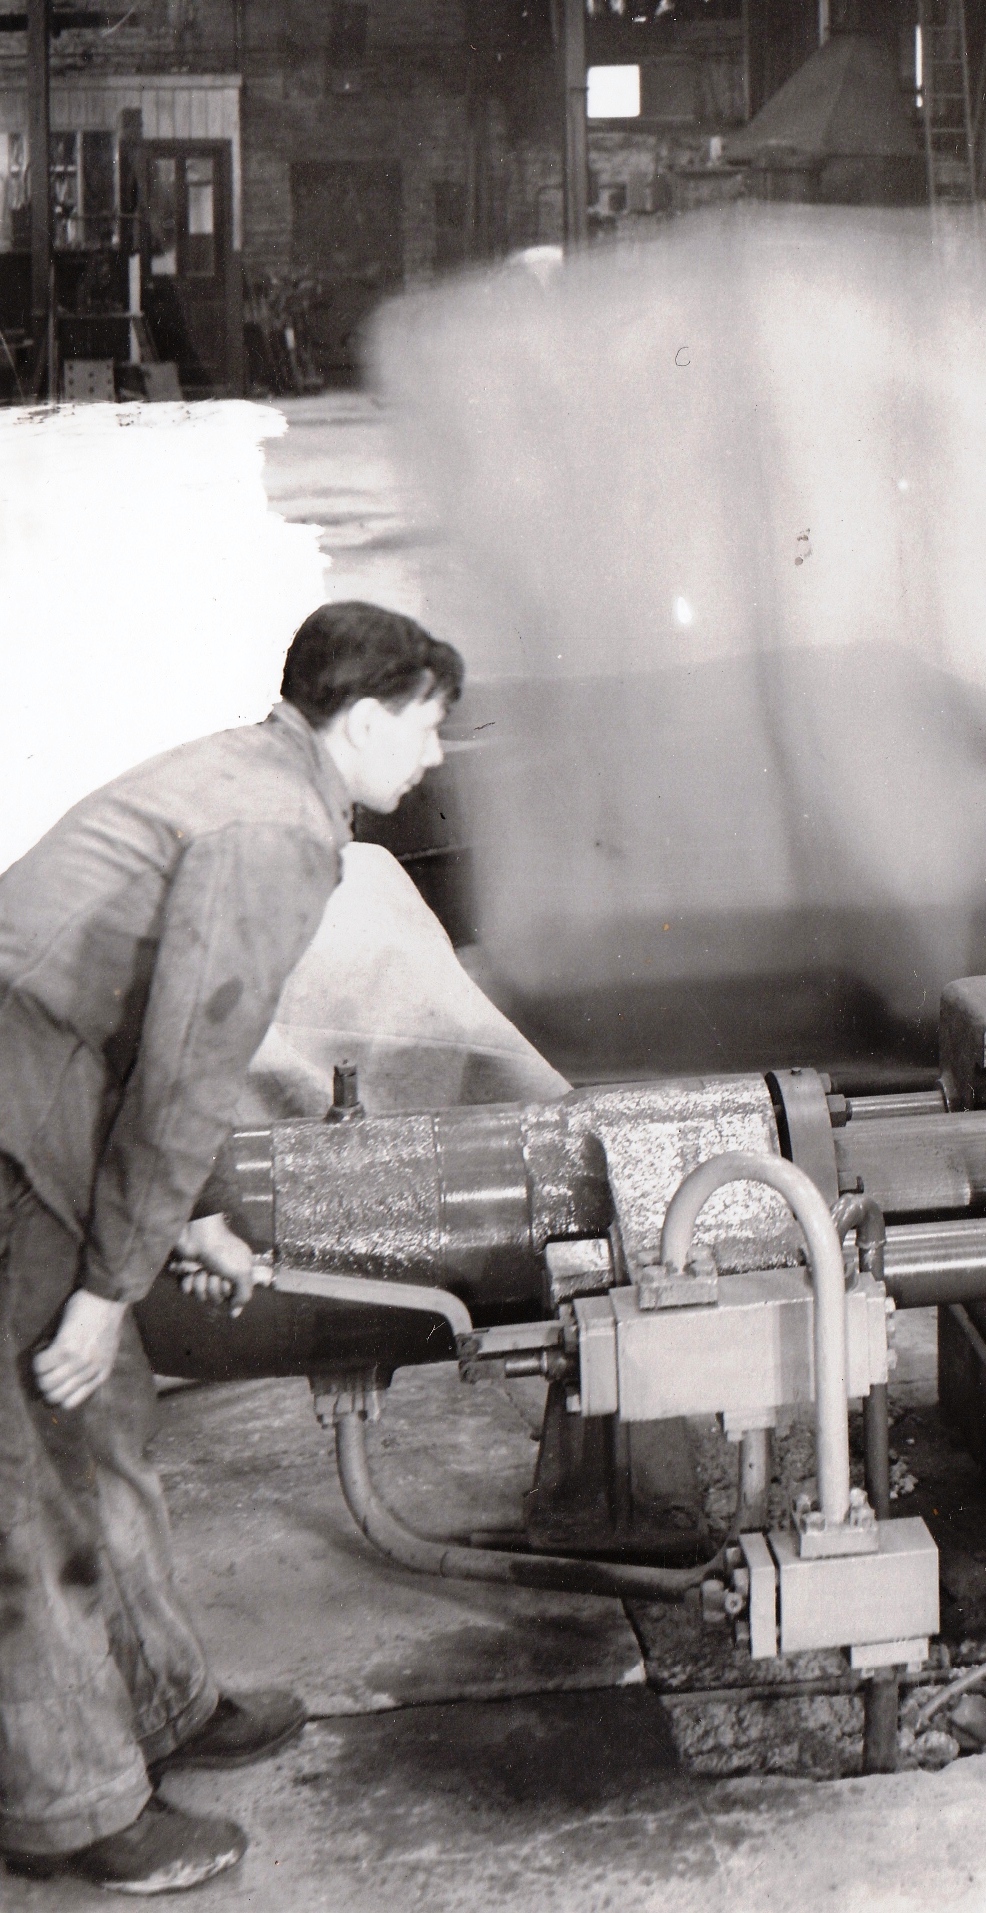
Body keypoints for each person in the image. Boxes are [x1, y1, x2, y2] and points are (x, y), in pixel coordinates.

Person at [0, 603, 460, 1894]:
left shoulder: (253, 776)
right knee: (30, 1466)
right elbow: (187, 1066)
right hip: (9, 1109)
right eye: (428, 726)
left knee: (104, 1424)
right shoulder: (271, 828)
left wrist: (188, 1216)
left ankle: (161, 1705)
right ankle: (70, 1807)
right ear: (367, 716)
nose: (433, 756)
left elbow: (166, 1041)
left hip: (47, 1081)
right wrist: (104, 1286)